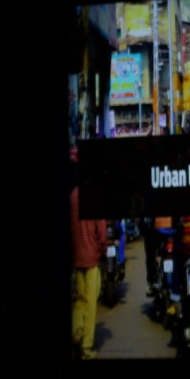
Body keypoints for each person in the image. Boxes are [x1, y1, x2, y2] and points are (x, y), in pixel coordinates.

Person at [70, 149, 109, 359]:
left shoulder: (73, 195)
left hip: (77, 257)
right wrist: (103, 248)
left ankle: (76, 331)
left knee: (80, 299)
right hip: (92, 257)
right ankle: (86, 346)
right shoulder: (94, 195)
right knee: (91, 302)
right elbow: (101, 231)